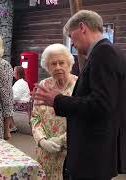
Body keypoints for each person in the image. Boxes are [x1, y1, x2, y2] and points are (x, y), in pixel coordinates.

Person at [33, 10, 126, 179]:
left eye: (71, 37)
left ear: (82, 27)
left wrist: (57, 100)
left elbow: (101, 104)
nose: (72, 43)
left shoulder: (103, 53)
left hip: (93, 153)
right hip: (98, 151)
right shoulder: (109, 51)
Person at [31, 43, 77, 180]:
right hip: (45, 153)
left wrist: (61, 140)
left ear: (69, 64)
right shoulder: (44, 85)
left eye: (61, 63)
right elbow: (35, 118)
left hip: (71, 153)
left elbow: (83, 120)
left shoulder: (79, 86)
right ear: (47, 67)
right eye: (53, 64)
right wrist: (42, 140)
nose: (58, 67)